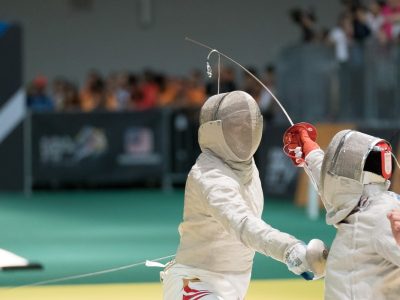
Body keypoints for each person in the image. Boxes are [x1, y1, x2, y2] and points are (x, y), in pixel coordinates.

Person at [162, 91, 327, 300]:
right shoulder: (209, 176)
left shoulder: (246, 167)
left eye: (248, 124)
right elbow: (242, 223)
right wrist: (288, 248)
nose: (245, 130)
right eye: (236, 125)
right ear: (215, 131)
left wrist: (312, 156)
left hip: (236, 282)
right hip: (195, 282)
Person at [285, 126, 400, 299]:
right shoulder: (353, 200)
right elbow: (330, 181)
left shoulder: (383, 216)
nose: (336, 170)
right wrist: (307, 147)